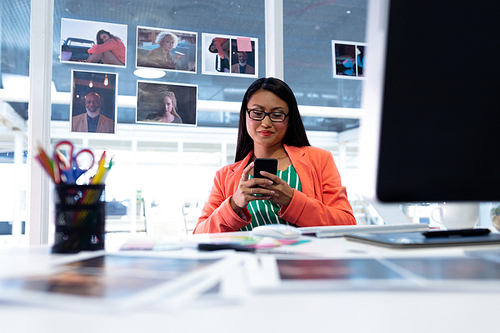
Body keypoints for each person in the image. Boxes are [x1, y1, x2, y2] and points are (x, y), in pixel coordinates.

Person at [193, 78, 356, 233]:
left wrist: (292, 200)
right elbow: (200, 234)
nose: (266, 123)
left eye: (277, 115)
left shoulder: (320, 160)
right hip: (248, 261)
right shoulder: (224, 176)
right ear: (245, 115)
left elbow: (346, 224)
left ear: (289, 119)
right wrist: (234, 204)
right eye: (257, 113)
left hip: (305, 260)